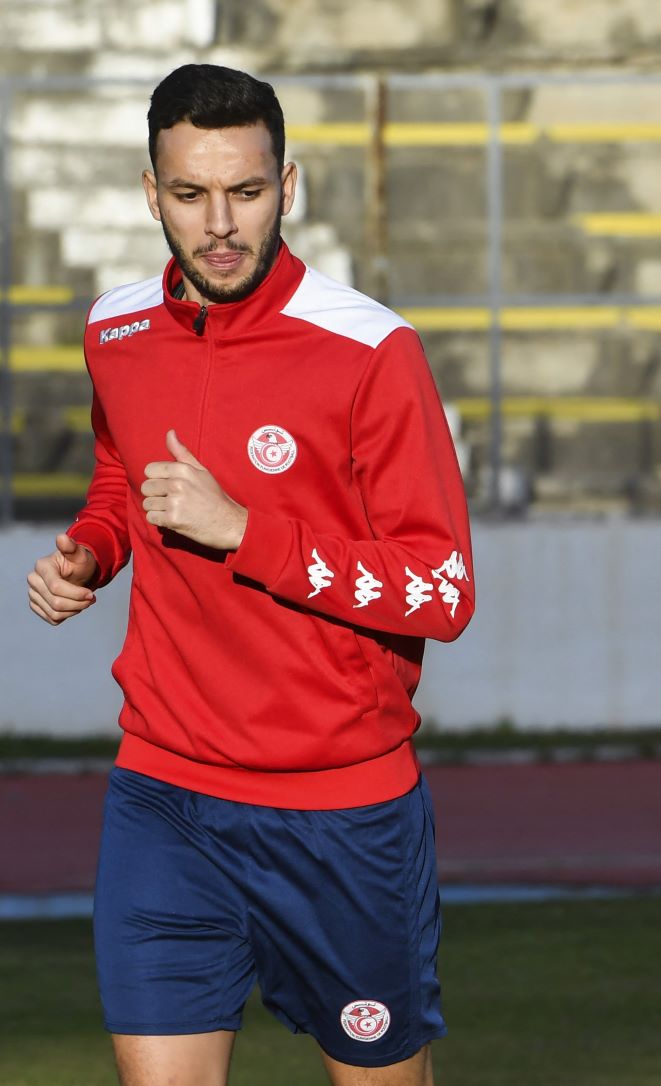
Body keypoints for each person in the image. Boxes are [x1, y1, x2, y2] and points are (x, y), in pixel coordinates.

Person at [24, 64, 473, 1086]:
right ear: (151, 194)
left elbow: (442, 591)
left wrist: (248, 532)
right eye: (191, 195)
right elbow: (121, 471)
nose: (220, 224)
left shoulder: (372, 352)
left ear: (290, 184)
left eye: (248, 191)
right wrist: (95, 547)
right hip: (164, 795)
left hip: (341, 813)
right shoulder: (116, 330)